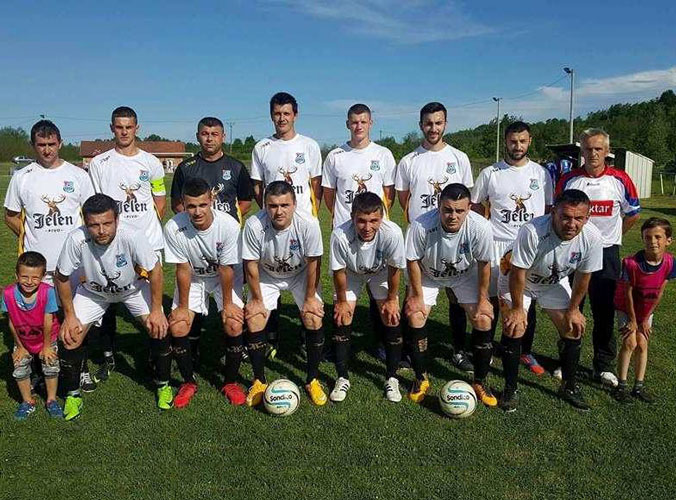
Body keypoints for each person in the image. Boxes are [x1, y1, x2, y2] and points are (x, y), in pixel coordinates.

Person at [54, 194, 168, 421]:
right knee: (70, 337)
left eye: (107, 223)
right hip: (93, 293)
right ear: (85, 222)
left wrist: (156, 310)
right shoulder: (76, 238)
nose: (101, 231)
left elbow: (155, 270)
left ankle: (163, 384)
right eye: (93, 225)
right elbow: (61, 276)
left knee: (159, 327)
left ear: (117, 219)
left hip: (133, 290)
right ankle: (73, 395)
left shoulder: (133, 235)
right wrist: (69, 316)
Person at [4, 119, 95, 391]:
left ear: (60, 143)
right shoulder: (23, 177)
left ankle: (80, 369)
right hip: (38, 269)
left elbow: (91, 214)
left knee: (75, 318)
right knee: (40, 320)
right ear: (33, 145)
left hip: (74, 265)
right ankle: (39, 370)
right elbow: (10, 216)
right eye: (41, 145)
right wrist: (31, 236)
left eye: (52, 144)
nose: (47, 150)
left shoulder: (78, 175)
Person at [500, 189, 603, 412]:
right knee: (515, 326)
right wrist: (517, 308)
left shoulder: (593, 237)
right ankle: (510, 388)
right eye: (565, 217)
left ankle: (569, 386)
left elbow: (583, 277)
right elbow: (517, 272)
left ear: (588, 217)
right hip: (517, 281)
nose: (571, 224)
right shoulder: (532, 231)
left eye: (579, 218)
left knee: (572, 327)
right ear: (553, 212)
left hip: (552, 282)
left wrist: (574, 309)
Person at [87, 106, 167, 384]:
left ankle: (154, 354)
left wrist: (143, 233)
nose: (124, 132)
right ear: (112, 128)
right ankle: (108, 355)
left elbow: (159, 200)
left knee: (152, 302)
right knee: (108, 297)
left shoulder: (151, 162)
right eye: (119, 127)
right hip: (111, 242)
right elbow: (95, 204)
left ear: (137, 128)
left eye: (129, 127)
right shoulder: (100, 163)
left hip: (148, 242)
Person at [555, 128, 640, 387]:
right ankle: (567, 360)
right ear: (581, 151)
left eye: (598, 149)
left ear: (607, 151)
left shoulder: (620, 179)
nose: (592, 154)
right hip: (573, 252)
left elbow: (633, 213)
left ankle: (603, 366)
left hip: (606, 253)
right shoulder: (569, 180)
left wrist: (613, 237)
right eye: (588, 149)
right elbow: (556, 212)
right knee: (571, 307)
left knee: (604, 311)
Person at [395, 102, 475, 374]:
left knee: (456, 294)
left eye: (438, 123)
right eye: (428, 123)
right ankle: (409, 351)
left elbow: (466, 198)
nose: (433, 128)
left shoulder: (459, 158)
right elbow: (404, 200)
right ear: (421, 125)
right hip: (422, 239)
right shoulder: (409, 161)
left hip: (454, 238)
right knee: (413, 295)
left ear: (445, 124)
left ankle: (458, 350)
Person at [471, 121, 553, 376]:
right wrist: (486, 229)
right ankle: (487, 347)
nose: (517, 146)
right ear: (505, 142)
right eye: (513, 141)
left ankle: (523, 350)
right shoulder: (491, 173)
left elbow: (548, 208)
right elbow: (475, 205)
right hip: (497, 245)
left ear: (530, 141)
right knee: (491, 299)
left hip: (530, 247)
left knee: (526, 299)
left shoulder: (541, 174)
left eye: (522, 141)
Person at [170, 116, 253, 366]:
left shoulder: (236, 166)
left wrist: (221, 223)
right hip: (194, 237)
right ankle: (193, 345)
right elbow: (177, 204)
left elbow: (245, 201)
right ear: (198, 136)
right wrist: (196, 221)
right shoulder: (186, 167)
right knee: (194, 293)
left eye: (214, 134)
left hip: (226, 239)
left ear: (223, 137)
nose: (209, 138)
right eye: (205, 134)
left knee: (232, 299)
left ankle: (237, 345)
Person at [404, 183, 495, 405]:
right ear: (439, 205)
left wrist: (483, 299)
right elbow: (412, 260)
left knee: (483, 318)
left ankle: (480, 381)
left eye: (459, 211)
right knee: (416, 314)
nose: (453, 216)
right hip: (428, 274)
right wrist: (416, 295)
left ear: (469, 208)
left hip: (465, 275)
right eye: (447, 210)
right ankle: (421, 377)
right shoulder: (421, 225)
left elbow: (484, 263)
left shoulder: (481, 226)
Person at [322, 103, 397, 364]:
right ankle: (339, 344)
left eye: (363, 121)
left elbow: (389, 195)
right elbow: (329, 196)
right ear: (347, 124)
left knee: (379, 287)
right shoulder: (335, 156)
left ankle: (383, 343)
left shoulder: (383, 154)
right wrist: (347, 220)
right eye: (354, 122)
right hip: (346, 233)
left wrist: (372, 221)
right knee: (341, 288)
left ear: (370, 123)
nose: (359, 126)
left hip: (373, 232)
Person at [241, 181, 325, 406]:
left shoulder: (309, 223)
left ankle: (312, 379)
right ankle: (259, 381)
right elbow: (250, 265)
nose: (279, 211)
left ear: (294, 204)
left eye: (285, 205)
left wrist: (310, 299)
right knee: (255, 318)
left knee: (313, 317)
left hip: (300, 274)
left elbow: (314, 263)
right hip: (267, 275)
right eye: (273, 206)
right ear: (265, 205)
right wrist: (256, 300)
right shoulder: (254, 225)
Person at [251, 92, 322, 352]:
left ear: (295, 115)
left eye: (286, 113)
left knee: (308, 276)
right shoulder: (262, 147)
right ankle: (271, 336)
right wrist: (271, 212)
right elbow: (258, 187)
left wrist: (306, 217)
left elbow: (316, 186)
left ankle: (307, 335)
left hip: (302, 227)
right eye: (277, 113)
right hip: (273, 224)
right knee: (271, 272)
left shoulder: (310, 146)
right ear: (271, 115)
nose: (282, 118)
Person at [163, 178, 244, 408]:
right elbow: (183, 269)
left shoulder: (228, 225)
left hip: (223, 278)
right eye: (191, 206)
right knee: (178, 326)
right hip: (195, 278)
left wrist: (228, 305)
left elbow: (226, 269)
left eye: (202, 205)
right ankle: (188, 382)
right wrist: (182, 308)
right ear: (183, 204)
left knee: (233, 324)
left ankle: (230, 383)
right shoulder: (173, 227)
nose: (197, 212)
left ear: (212, 200)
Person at [329, 192, 405, 402]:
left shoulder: (393, 233)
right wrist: (342, 302)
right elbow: (338, 271)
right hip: (351, 274)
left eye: (374, 221)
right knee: (342, 317)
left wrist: (392, 299)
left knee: (391, 317)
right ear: (352, 217)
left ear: (382, 217)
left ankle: (392, 378)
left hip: (380, 272)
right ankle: (342, 377)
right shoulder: (339, 234)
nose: (367, 227)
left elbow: (395, 269)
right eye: (361, 220)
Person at [613, 217, 675, 403]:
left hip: (647, 309)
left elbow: (659, 292)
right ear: (642, 239)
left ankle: (638, 387)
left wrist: (646, 319)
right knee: (630, 342)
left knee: (642, 343)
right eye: (648, 237)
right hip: (627, 307)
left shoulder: (670, 263)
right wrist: (633, 320)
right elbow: (627, 293)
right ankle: (621, 386)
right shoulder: (631, 263)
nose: (652, 241)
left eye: (658, 237)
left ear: (668, 240)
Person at [2, 252, 63, 420]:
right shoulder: (8, 294)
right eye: (24, 276)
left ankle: (51, 400)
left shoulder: (48, 292)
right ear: (16, 275)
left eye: (35, 277)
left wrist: (47, 346)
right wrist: (20, 347)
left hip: (46, 338)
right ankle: (27, 401)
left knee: (50, 365)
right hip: (23, 340)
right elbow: (11, 322)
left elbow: (48, 321)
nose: (29, 282)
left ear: (42, 277)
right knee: (19, 368)